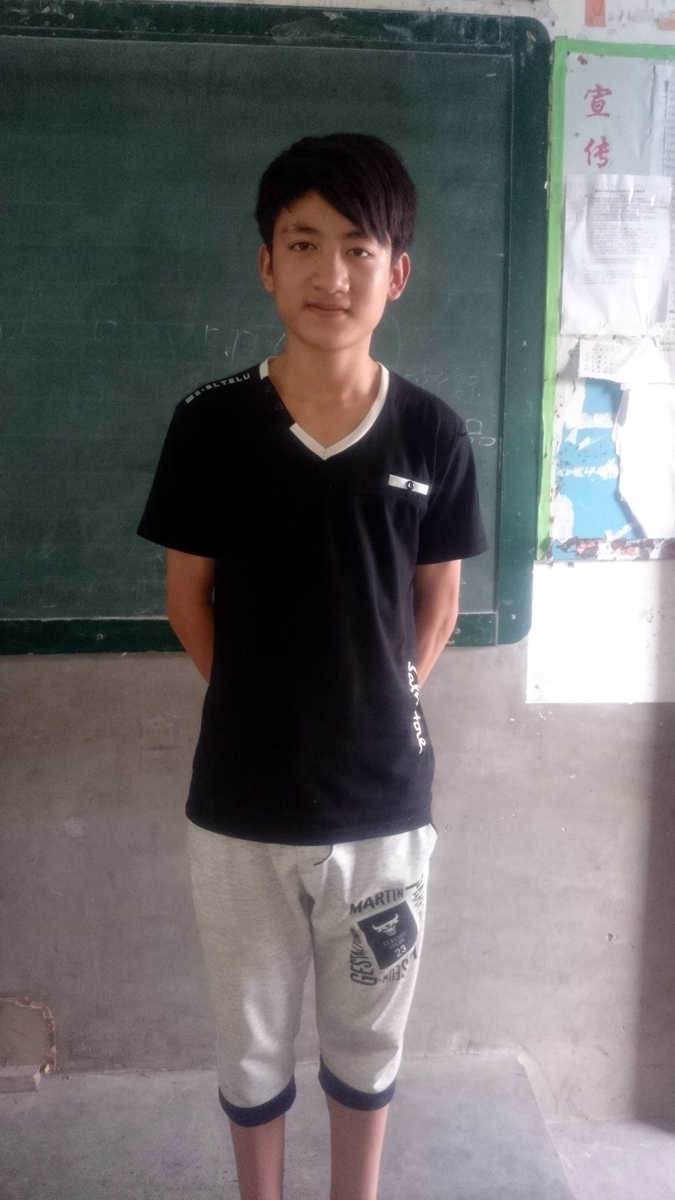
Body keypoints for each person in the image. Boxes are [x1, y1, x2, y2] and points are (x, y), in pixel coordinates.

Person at [138, 132, 486, 1200]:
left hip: (384, 808)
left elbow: (436, 605)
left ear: (397, 272)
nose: (330, 274)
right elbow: (187, 601)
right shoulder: (210, 423)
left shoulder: (432, 433)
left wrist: (374, 704)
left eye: (357, 248)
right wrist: (264, 705)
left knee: (368, 1038)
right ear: (266, 263)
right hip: (240, 806)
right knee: (249, 1046)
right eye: (302, 243)